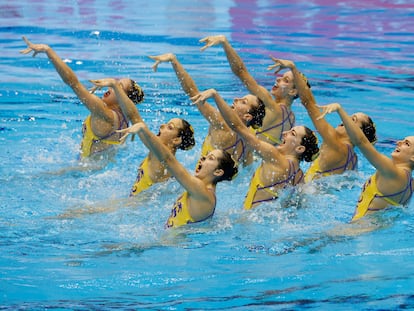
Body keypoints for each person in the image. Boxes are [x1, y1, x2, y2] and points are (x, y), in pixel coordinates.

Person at [192, 89, 320, 210]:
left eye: (292, 134)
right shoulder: (298, 175)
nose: (285, 133)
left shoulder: (274, 156)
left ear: (299, 148)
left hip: (248, 220)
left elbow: (237, 126)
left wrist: (215, 95)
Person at [20, 36, 144, 159]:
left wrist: (48, 50)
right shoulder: (127, 120)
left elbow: (73, 83)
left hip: (82, 171)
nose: (111, 87)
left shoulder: (104, 113)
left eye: (118, 86)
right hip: (100, 169)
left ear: (124, 98)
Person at [267, 58, 377, 182]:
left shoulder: (335, 143)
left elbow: (309, 103)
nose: (345, 120)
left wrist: (293, 69)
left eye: (352, 120)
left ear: (356, 133)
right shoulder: (353, 159)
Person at [149, 53, 265, 167]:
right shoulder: (251, 137)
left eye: (243, 102)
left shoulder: (221, 123)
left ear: (247, 116)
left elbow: (192, 92)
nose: (236, 99)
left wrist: (174, 61)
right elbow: (247, 167)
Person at [117, 122, 238, 228]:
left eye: (210, 158)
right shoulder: (200, 191)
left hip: (172, 247)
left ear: (218, 172)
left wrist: (143, 128)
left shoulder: (202, 191)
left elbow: (168, 160)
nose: (202, 159)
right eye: (205, 156)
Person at [89, 78, 195, 196]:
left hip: (134, 206)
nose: (161, 126)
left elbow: (136, 119)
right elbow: (134, 117)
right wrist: (115, 87)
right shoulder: (156, 153)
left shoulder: (164, 159)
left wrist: (115, 86)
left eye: (169, 127)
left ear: (176, 140)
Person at [318, 103, 414, 222]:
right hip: (374, 233)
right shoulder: (410, 184)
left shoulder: (391, 171)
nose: (399, 142)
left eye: (407, 144)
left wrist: (340, 110)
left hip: (359, 229)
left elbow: (361, 142)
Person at [199, 35, 298, 146]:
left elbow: (241, 72)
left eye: (286, 80)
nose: (278, 79)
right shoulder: (291, 118)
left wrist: (225, 44)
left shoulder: (272, 106)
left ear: (293, 91)